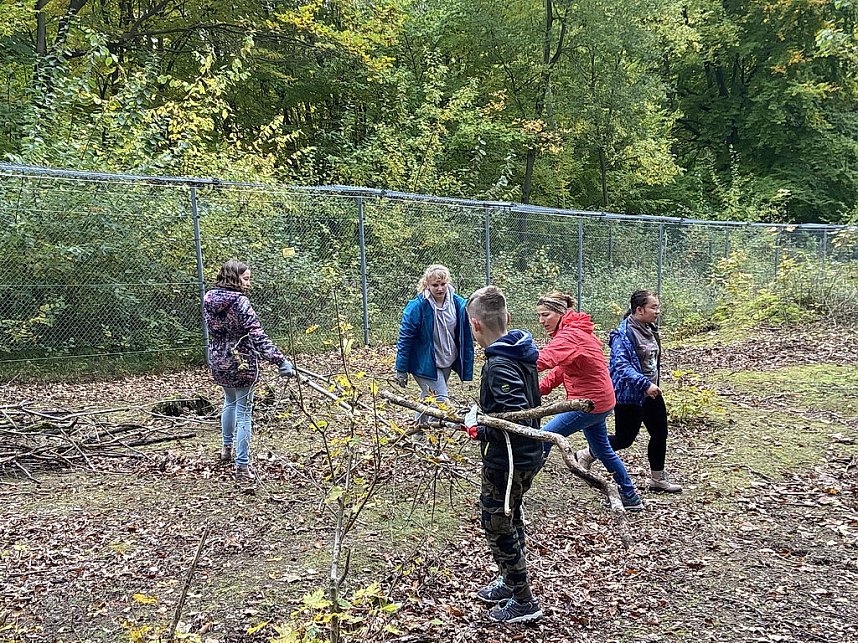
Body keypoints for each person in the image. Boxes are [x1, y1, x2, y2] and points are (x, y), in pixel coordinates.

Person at [463, 285, 543, 624]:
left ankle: (524, 601)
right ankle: (511, 582)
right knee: (509, 516)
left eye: (469, 324)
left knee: (497, 523)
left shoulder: (500, 364)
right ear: (507, 318)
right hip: (525, 455)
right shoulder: (517, 352)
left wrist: (478, 429)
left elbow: (514, 417)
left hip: (509, 459)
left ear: (477, 326)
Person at [535, 291, 643, 511]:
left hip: (589, 403)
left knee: (543, 439)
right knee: (602, 449)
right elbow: (562, 368)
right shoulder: (572, 331)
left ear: (560, 313)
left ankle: (516, 490)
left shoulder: (570, 335)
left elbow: (542, 361)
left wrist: (510, 361)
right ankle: (629, 495)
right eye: (539, 316)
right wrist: (541, 389)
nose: (541, 321)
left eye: (545, 315)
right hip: (601, 400)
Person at [579, 290, 682, 492]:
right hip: (629, 396)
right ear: (639, 309)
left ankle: (658, 480)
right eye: (654, 307)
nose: (657, 311)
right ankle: (586, 454)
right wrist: (645, 384)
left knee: (660, 433)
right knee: (625, 439)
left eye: (657, 307)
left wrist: (652, 384)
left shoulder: (650, 329)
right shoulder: (623, 334)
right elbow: (621, 366)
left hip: (651, 393)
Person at [203, 259, 295, 480]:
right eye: (245, 279)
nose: (248, 283)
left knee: (229, 402)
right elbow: (257, 335)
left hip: (218, 359)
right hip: (241, 361)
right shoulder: (240, 302)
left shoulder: (208, 298)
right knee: (244, 411)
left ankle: (226, 449)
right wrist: (280, 361)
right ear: (234, 278)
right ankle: (242, 466)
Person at [394, 264, 474, 422]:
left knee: (428, 398)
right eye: (435, 285)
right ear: (427, 285)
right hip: (425, 362)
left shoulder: (458, 304)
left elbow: (465, 335)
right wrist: (401, 368)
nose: (440, 289)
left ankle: (417, 431)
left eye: (443, 284)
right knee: (442, 400)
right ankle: (440, 432)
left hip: (447, 359)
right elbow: (405, 338)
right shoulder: (418, 307)